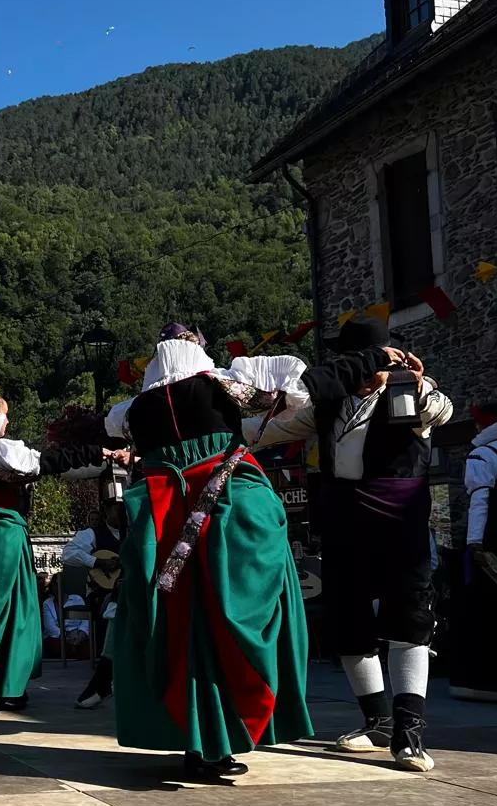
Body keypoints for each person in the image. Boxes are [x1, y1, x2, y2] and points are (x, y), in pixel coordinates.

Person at [251, 315, 452, 773]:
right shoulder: (329, 404)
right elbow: (270, 429)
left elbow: (440, 411)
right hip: (344, 521)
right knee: (348, 619)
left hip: (399, 521)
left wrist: (416, 383)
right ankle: (378, 720)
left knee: (408, 617)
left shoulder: (411, 393)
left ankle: (409, 731)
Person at [111, 324, 312, 781]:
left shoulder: (133, 410)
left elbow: (113, 429)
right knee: (226, 614)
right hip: (224, 508)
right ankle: (220, 738)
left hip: (162, 518)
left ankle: (198, 741)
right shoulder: (221, 385)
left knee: (178, 626)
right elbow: (290, 394)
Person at [0, 390, 110, 713]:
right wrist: (97, 452)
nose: (7, 422)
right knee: (5, 612)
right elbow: (47, 463)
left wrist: (98, 456)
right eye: (5, 415)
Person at [449, 411, 497, 700]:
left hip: (496, 538)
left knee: (486, 607)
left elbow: (480, 500)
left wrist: (475, 542)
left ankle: (487, 682)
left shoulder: (484, 455)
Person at [64, 494, 126, 709]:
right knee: (112, 609)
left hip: (129, 589)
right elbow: (68, 554)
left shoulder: (135, 531)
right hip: (101, 593)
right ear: (106, 510)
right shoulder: (92, 534)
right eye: (116, 508)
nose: (122, 513)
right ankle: (104, 678)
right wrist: (96, 561)